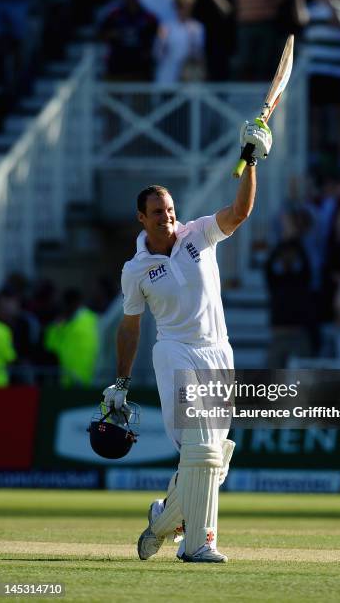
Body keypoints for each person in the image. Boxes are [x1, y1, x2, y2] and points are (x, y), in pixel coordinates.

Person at [102, 118, 272, 563]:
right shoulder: (135, 269)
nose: (168, 217)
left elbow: (239, 214)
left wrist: (250, 160)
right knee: (200, 447)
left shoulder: (198, 233)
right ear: (141, 218)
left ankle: (163, 519)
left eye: (171, 209)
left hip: (219, 349)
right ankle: (199, 544)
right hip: (175, 352)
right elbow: (130, 327)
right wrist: (120, 383)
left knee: (214, 459)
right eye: (158, 212)